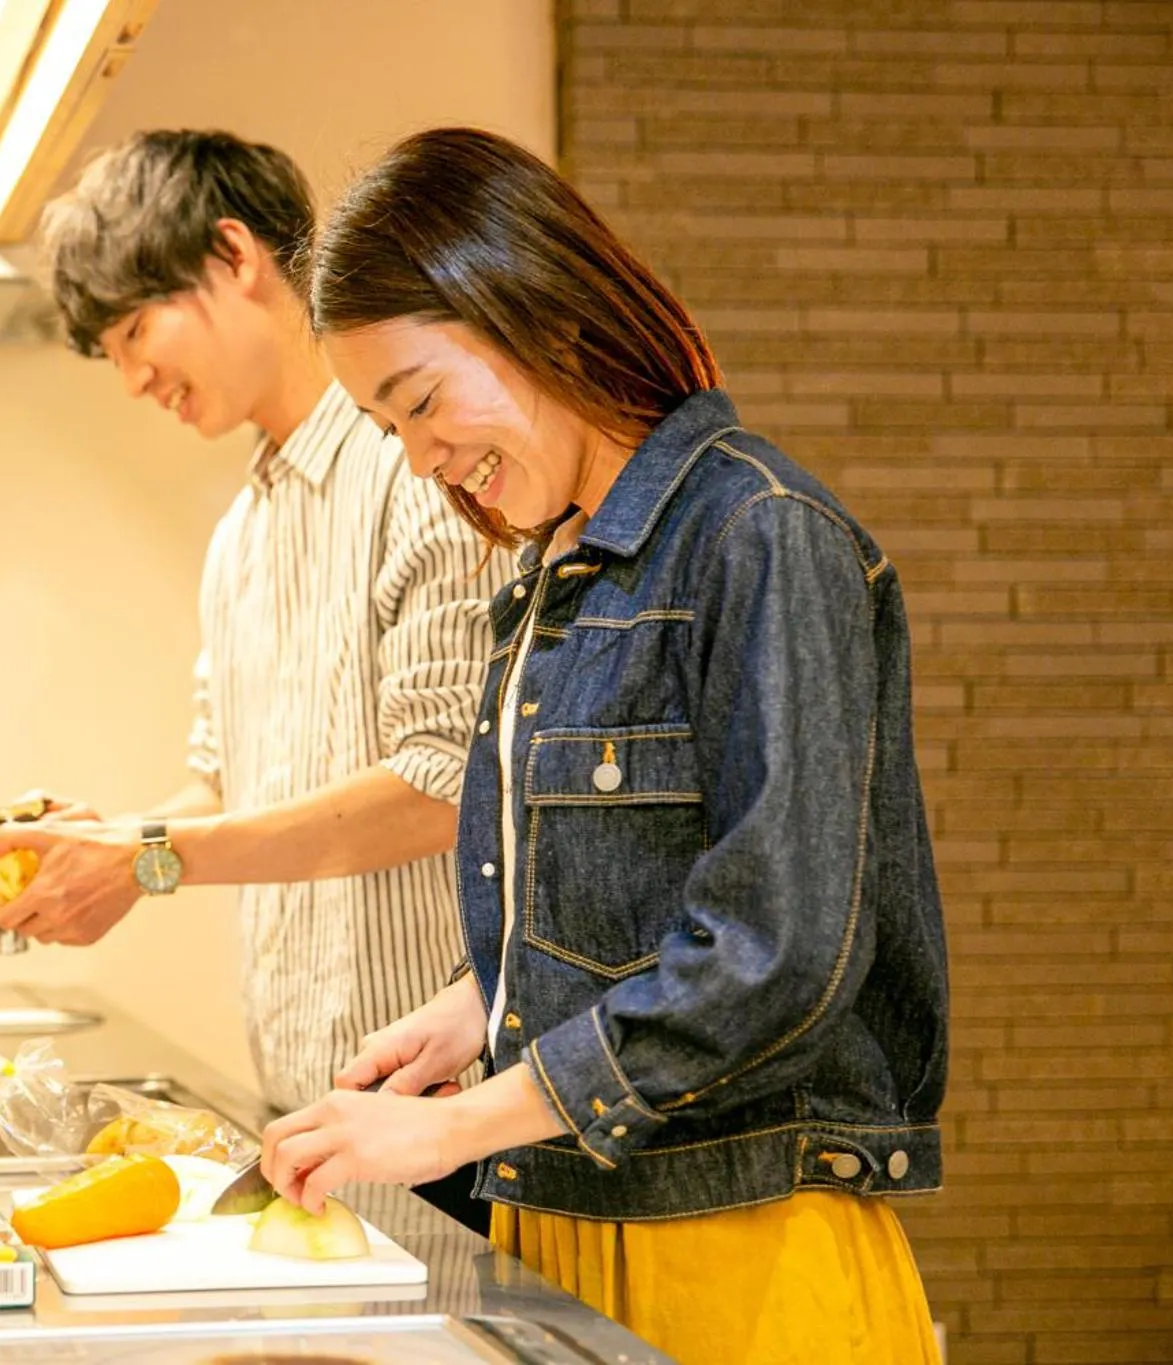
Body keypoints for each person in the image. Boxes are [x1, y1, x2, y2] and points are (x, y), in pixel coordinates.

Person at [261, 126, 948, 1363]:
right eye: (386, 428)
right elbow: (648, 892)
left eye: (420, 402)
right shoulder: (551, 574)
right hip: (571, 1211)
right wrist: (486, 1003)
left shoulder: (760, 533)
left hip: (741, 1241)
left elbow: (774, 956)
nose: (421, 459)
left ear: (536, 312)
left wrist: (460, 1124)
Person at [0, 130, 512, 1118]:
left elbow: (439, 788)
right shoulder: (240, 537)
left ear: (233, 257)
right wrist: (113, 842)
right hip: (304, 1097)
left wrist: (149, 856)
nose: (133, 380)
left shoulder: (415, 471)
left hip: (444, 1108)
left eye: (136, 332)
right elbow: (223, 784)